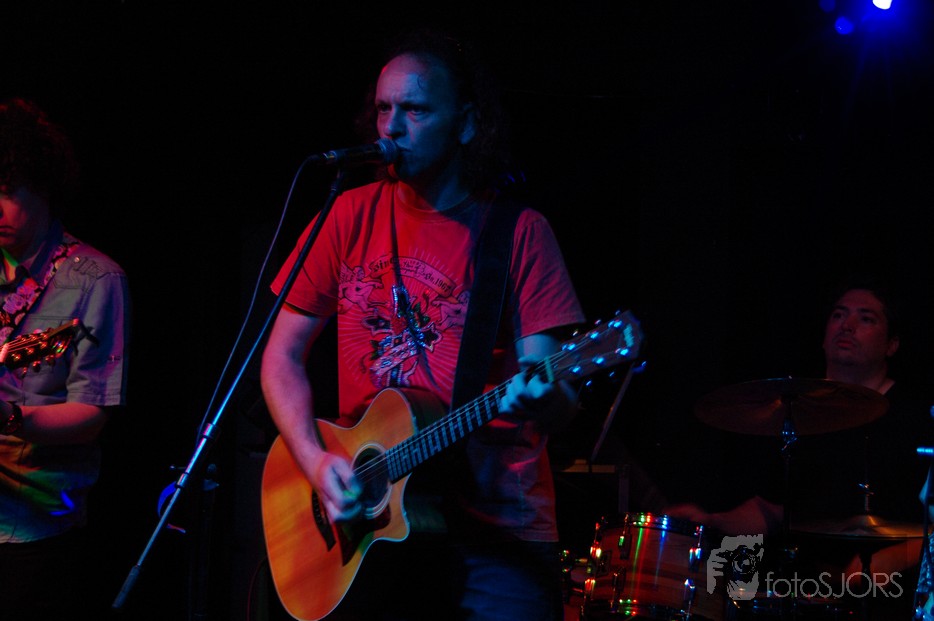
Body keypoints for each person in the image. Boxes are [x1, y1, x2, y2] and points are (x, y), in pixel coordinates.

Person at [259, 28, 586, 621]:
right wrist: (315, 461)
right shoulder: (347, 215)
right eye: (384, 108)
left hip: (496, 538)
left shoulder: (518, 233)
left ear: (466, 124)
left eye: (414, 110)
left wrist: (545, 395)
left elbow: (556, 396)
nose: (391, 127)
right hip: (378, 525)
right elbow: (280, 356)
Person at [667, 276, 934, 618]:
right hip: (803, 590)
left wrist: (896, 557)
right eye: (838, 315)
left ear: (892, 344)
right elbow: (772, 511)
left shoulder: (920, 418)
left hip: (894, 596)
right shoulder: (794, 409)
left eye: (866, 318)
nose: (847, 325)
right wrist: (710, 520)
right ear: (823, 337)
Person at [0, 97, 131, 619]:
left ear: (44, 185)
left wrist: (11, 418)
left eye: (8, 191)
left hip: (33, 531)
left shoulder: (95, 280)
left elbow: (92, 415)